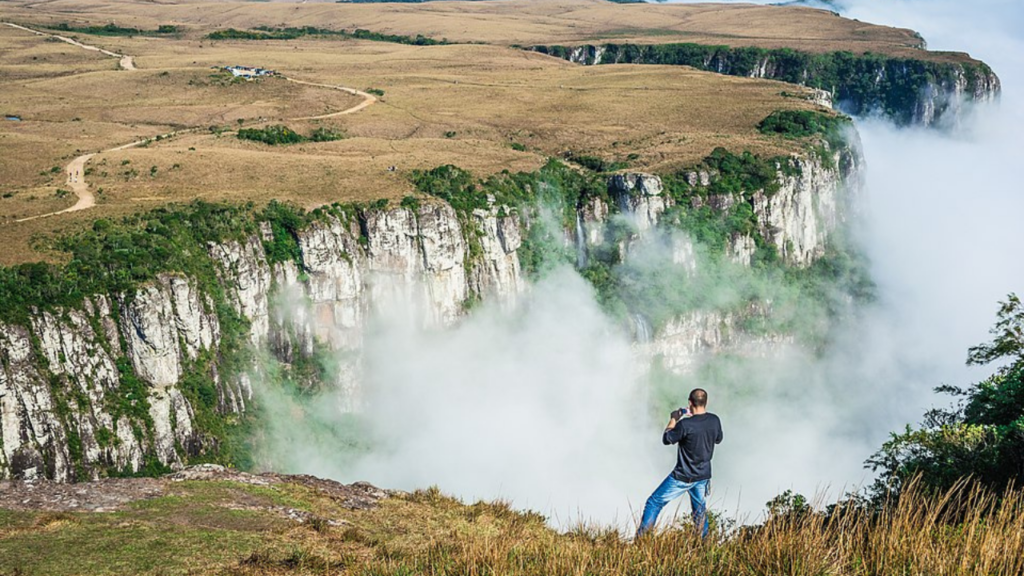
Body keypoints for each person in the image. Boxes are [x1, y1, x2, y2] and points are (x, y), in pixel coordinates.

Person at [636, 388, 723, 539]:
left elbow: (667, 438)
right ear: (706, 402)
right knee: (699, 510)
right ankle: (705, 544)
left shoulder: (685, 425)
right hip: (703, 476)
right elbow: (718, 439)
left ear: (690, 403)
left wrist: (674, 419)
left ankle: (642, 540)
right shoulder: (714, 420)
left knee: (654, 502)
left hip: (683, 476)